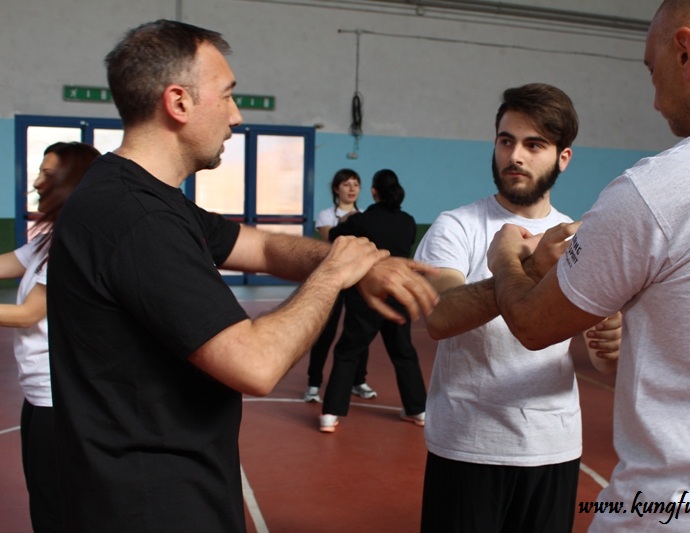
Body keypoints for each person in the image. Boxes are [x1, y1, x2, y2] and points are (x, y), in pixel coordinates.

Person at [46, 20, 437, 533]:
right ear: (179, 103)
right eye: (228, 96)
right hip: (147, 503)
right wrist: (335, 273)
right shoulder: (133, 217)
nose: (237, 114)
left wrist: (363, 261)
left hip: (167, 483)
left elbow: (264, 246)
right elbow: (254, 363)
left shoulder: (145, 195)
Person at [487, 1, 690, 531]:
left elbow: (533, 324)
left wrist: (503, 259)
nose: (654, 99)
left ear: (686, 51)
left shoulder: (657, 190)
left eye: (653, 69)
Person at [413, 83, 621, 532]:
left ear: (563, 158)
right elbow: (439, 316)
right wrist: (521, 271)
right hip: (467, 446)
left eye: (534, 145)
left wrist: (614, 339)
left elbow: (605, 360)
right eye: (506, 141)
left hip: (553, 446)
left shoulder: (579, 240)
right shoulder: (457, 227)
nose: (516, 156)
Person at [0, 141, 100, 532]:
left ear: (70, 181)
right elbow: (8, 263)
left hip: (59, 399)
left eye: (46, 173)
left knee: (54, 509)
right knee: (47, 499)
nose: (37, 183)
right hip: (39, 393)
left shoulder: (68, 242)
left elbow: (28, 314)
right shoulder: (47, 239)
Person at [319, 169, 428, 433]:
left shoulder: (362, 219)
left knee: (347, 352)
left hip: (366, 296)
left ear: (373, 192)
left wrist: (346, 220)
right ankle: (417, 409)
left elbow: (334, 237)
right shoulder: (408, 221)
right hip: (398, 293)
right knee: (403, 351)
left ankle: (330, 414)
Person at [304, 168, 376, 403]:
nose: (352, 188)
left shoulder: (366, 214)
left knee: (358, 332)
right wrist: (347, 222)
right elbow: (329, 239)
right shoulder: (326, 215)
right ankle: (314, 384)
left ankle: (358, 381)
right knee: (325, 332)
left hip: (358, 279)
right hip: (333, 278)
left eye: (356, 184)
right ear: (337, 189)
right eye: (346, 184)